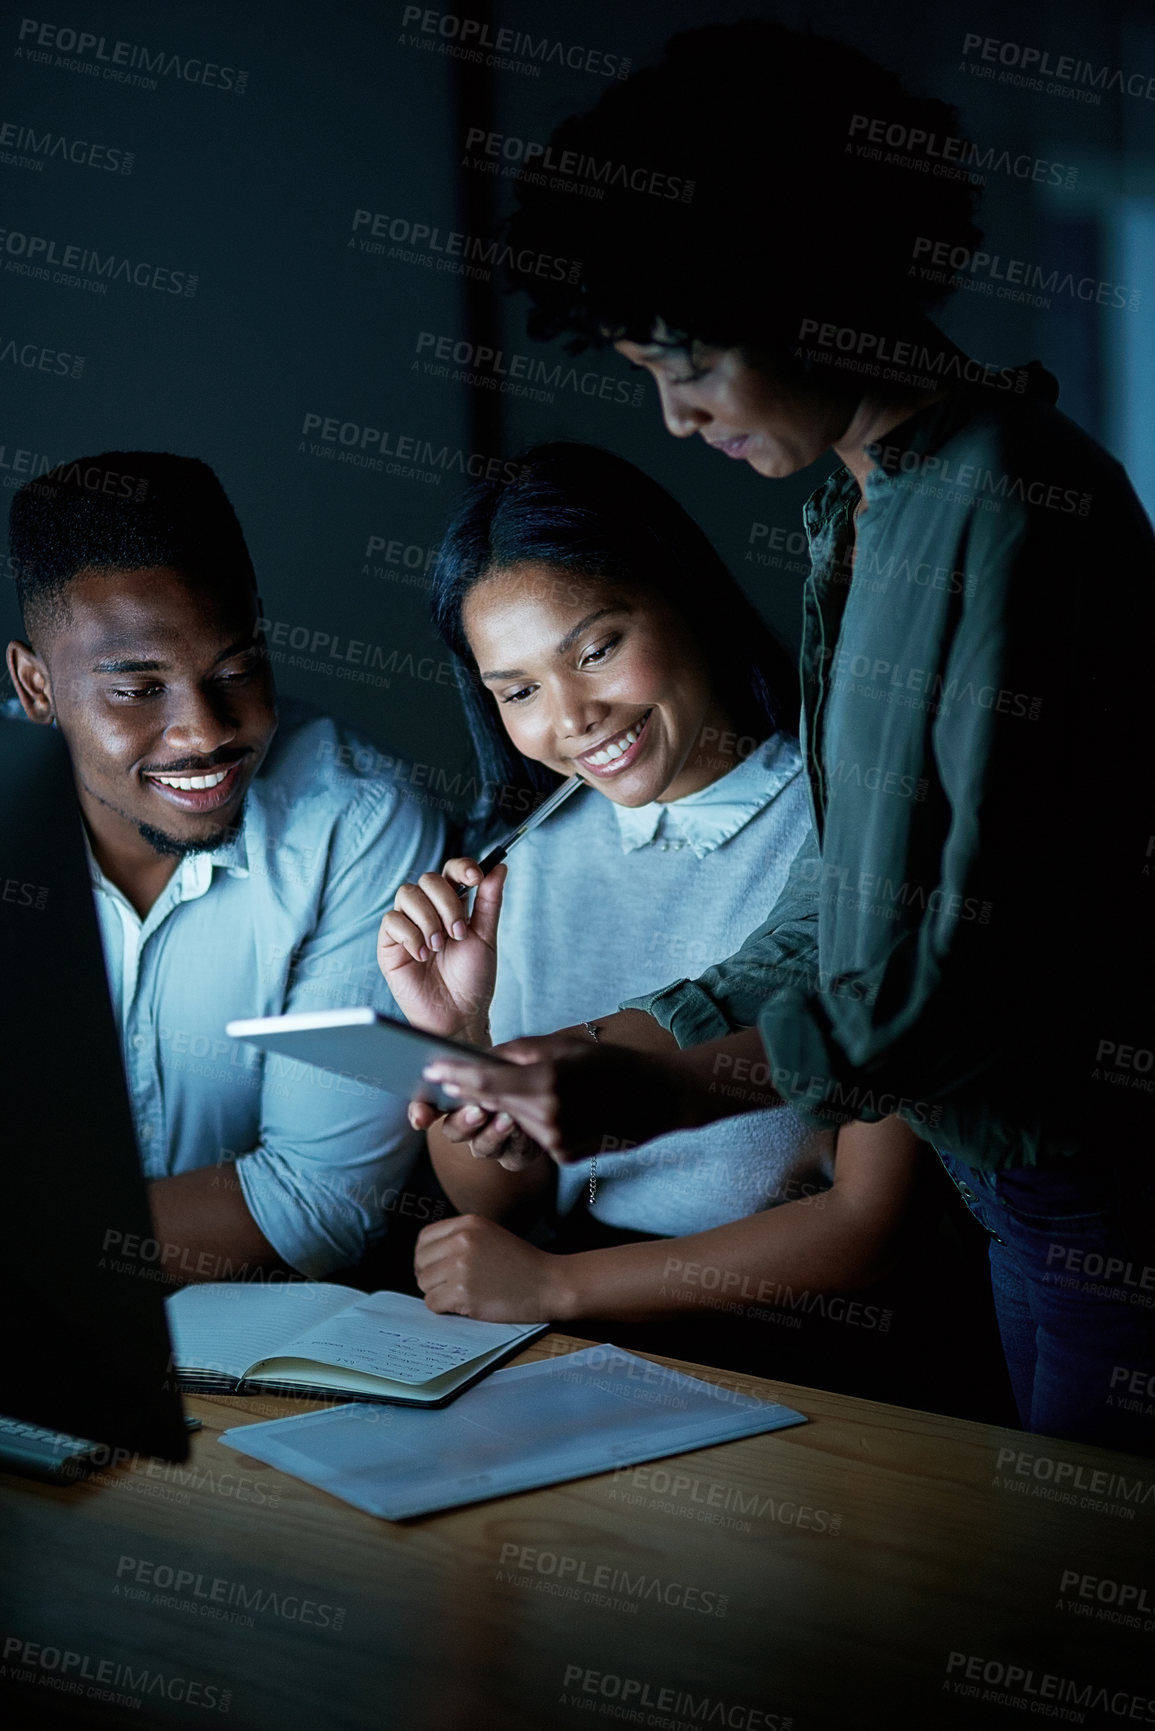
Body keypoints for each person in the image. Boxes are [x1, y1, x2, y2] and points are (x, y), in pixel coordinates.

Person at [414, 24, 1155, 1449]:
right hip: (1019, 1189)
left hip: (1096, 1185)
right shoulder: (863, 506)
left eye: (687, 359)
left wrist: (664, 1081)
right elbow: (847, 897)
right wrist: (624, 1039)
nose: (675, 416)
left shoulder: (1006, 504)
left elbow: (954, 963)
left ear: (809, 284)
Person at [379, 443, 1004, 1409]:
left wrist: (559, 1288)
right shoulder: (523, 866)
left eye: (595, 650)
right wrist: (456, 1035)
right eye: (519, 692)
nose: (573, 718)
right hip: (571, 1333)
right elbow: (496, 1201)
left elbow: (873, 1226)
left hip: (808, 1352)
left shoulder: (851, 829)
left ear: (685, 597)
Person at [5, 451, 445, 1283]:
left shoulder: (356, 825)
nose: (205, 732)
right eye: (138, 689)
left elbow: (313, 1206)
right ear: (36, 687)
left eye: (237, 669)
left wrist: (28, 1246)